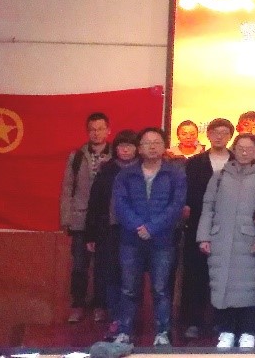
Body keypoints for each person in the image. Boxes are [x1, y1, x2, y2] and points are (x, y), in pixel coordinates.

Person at [112, 128, 186, 346]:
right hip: (131, 239)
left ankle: (162, 333)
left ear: (164, 147)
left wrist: (152, 228)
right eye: (147, 143)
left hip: (162, 240)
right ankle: (124, 331)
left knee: (161, 289)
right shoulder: (126, 174)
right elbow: (120, 204)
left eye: (157, 142)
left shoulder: (175, 174)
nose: (152, 147)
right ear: (139, 148)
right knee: (128, 289)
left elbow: (176, 205)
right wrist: (137, 225)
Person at [198, 133, 255, 349]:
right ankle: (226, 330)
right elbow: (208, 207)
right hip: (220, 239)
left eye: (249, 149)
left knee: (249, 288)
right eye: (240, 148)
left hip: (248, 241)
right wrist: (204, 236)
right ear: (234, 149)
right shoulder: (220, 176)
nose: (244, 152)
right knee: (222, 286)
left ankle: (248, 331)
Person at [180, 117, 234, 339]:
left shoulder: (237, 162)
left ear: (230, 136)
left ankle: (222, 321)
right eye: (215, 132)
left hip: (229, 226)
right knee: (196, 273)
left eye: (224, 133)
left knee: (225, 274)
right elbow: (187, 193)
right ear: (208, 135)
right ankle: (193, 321)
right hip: (198, 224)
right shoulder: (195, 162)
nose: (219, 136)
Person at [84, 130, 139, 337]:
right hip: (109, 230)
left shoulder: (143, 169)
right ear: (115, 148)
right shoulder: (107, 169)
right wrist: (90, 234)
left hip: (136, 230)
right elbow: (95, 202)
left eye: (130, 146)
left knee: (133, 276)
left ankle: (132, 318)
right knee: (111, 275)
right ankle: (115, 317)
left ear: (137, 148)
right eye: (121, 146)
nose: (125, 150)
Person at [62, 112, 111, 324]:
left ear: (108, 130)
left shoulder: (116, 155)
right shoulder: (76, 156)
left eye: (100, 129)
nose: (96, 133)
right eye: (92, 129)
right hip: (80, 218)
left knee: (103, 266)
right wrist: (66, 218)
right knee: (80, 265)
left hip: (105, 218)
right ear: (87, 131)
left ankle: (100, 305)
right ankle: (78, 304)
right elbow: (67, 188)